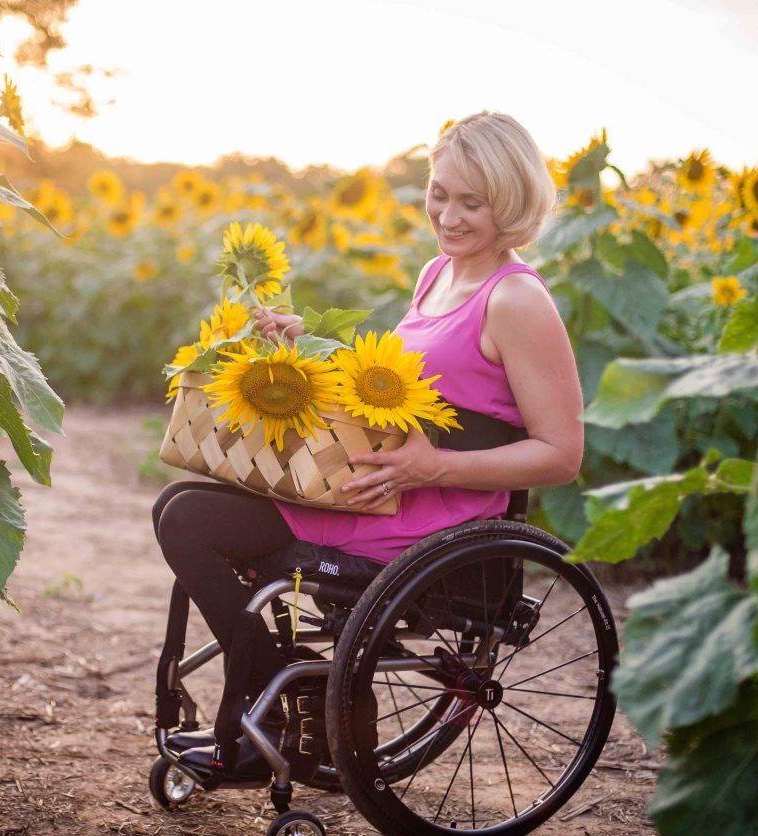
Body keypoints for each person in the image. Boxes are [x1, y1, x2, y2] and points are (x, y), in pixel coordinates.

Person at [152, 111, 584, 775]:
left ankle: (289, 699)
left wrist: (434, 465)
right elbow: (396, 386)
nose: (448, 215)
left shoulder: (517, 300)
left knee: (190, 518)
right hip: (374, 489)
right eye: (439, 193)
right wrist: (311, 346)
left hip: (434, 519)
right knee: (178, 506)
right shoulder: (437, 274)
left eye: (472, 202)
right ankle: (300, 694)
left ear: (512, 202)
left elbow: (560, 453)